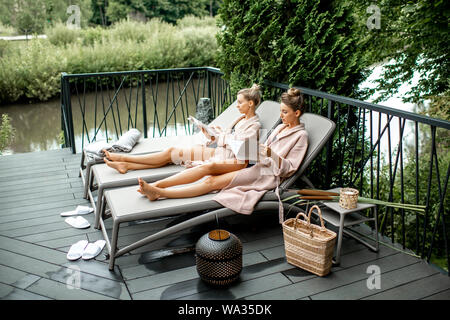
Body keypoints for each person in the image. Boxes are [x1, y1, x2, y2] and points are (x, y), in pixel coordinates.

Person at [138, 88, 309, 222]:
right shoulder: (280, 127)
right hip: (257, 165)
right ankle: (157, 185)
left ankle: (159, 193)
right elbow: (264, 149)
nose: (281, 116)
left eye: (285, 112)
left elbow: (289, 169)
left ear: (297, 113)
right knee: (208, 172)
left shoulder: (301, 137)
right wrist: (258, 149)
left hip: (266, 175)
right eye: (281, 111)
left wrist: (269, 153)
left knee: (210, 181)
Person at [103, 84, 262, 176]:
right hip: (217, 151)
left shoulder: (254, 125)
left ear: (250, 104)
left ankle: (124, 159)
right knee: (171, 155)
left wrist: (221, 137)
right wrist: (212, 133)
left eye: (240, 102)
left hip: (225, 157)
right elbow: (227, 140)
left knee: (170, 153)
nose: (237, 105)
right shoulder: (240, 119)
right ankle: (127, 165)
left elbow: (241, 148)